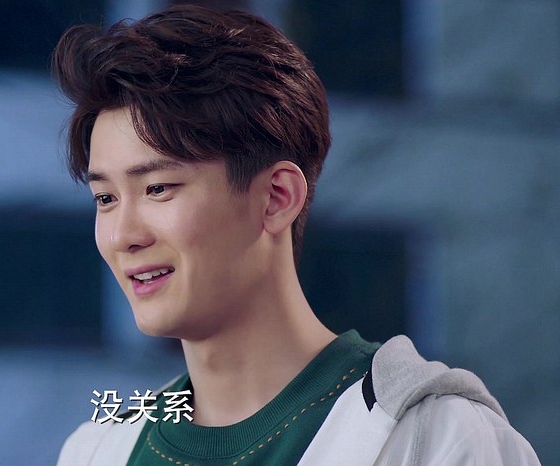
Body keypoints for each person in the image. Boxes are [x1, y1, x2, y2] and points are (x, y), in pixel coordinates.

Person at [52, 5, 540, 465]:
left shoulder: (440, 439)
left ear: (276, 197)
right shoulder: (98, 450)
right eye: (105, 198)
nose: (123, 236)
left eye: (157, 188)